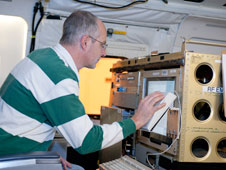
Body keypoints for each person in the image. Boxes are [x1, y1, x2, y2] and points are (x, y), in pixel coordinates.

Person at [0, 10, 165, 170]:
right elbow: (86, 142)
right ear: (85, 41)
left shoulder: (42, 57)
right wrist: (137, 121)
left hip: (17, 154)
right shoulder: (58, 76)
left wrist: (45, 156)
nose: (104, 52)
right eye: (102, 45)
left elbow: (28, 122)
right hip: (12, 159)